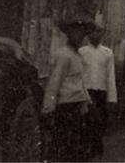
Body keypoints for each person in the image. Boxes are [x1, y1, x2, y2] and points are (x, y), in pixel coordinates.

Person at [42, 19, 93, 162]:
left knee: (76, 145)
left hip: (77, 105)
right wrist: (48, 107)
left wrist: (87, 101)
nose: (79, 36)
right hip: (65, 106)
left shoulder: (77, 56)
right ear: (69, 34)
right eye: (75, 32)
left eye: (82, 33)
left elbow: (80, 81)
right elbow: (54, 81)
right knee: (63, 144)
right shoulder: (63, 55)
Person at [79, 26, 117, 160]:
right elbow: (79, 74)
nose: (95, 35)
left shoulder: (107, 53)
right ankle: (87, 149)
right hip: (85, 91)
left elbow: (110, 75)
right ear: (88, 35)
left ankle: (97, 149)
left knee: (99, 121)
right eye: (92, 32)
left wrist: (112, 98)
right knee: (86, 120)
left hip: (100, 92)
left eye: (98, 33)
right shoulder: (82, 52)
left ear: (102, 35)